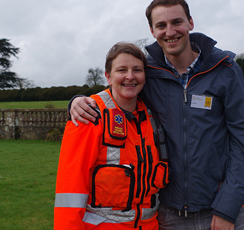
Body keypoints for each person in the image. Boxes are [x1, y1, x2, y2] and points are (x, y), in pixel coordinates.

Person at [69, 0, 244, 230]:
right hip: (171, 217)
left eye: (176, 22)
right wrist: (77, 101)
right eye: (161, 25)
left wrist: (227, 209)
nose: (169, 31)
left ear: (190, 22)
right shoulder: (148, 73)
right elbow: (119, 91)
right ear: (152, 31)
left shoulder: (226, 71)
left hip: (225, 211)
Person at [54, 42, 169, 229]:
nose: (130, 77)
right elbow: (70, 192)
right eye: (122, 70)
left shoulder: (152, 118)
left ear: (145, 76)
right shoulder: (89, 115)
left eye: (137, 70)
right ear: (108, 76)